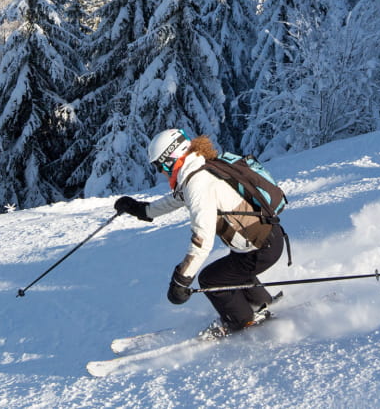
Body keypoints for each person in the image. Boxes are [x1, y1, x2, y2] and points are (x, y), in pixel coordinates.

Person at [115, 128, 285, 337]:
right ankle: (260, 303)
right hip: (265, 238)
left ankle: (244, 322)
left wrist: (182, 278)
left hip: (260, 247)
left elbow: (202, 239)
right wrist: (141, 210)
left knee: (212, 279)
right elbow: (176, 199)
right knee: (232, 269)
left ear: (171, 158)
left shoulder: (197, 183)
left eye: (160, 165)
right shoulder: (199, 169)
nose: (161, 171)